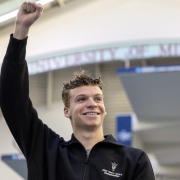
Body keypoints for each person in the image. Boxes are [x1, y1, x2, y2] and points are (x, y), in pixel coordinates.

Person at [0, 2, 155, 180]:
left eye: (98, 99)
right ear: (66, 111)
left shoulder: (134, 160)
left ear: (104, 108)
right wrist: (21, 28)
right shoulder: (48, 152)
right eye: (81, 99)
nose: (92, 103)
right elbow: (12, 99)